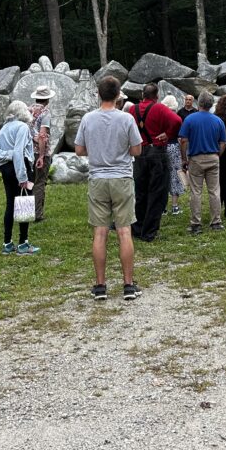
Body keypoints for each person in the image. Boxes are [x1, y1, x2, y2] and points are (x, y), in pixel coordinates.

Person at [74, 76, 144, 301]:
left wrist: (97, 150)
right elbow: (137, 150)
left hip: (98, 179)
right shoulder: (126, 119)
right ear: (118, 95)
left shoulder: (87, 119)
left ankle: (100, 285)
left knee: (100, 232)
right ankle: (128, 285)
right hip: (122, 178)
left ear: (98, 94)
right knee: (124, 230)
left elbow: (79, 149)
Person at [130, 83, 183, 242]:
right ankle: (149, 231)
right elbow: (177, 120)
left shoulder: (133, 109)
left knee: (140, 191)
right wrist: (168, 134)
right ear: (156, 96)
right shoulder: (159, 108)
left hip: (140, 152)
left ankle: (137, 228)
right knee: (157, 192)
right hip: (157, 152)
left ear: (142, 95)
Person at [0, 101, 41, 255]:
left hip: (5, 169)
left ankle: (7, 243)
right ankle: (23, 244)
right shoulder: (23, 127)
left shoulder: (4, 128)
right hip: (21, 168)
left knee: (10, 204)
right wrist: (23, 177)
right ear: (22, 112)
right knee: (24, 203)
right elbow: (19, 153)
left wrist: (8, 155)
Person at [178, 91, 226, 234]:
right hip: (213, 157)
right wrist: (218, 154)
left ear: (198, 103)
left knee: (196, 191)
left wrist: (184, 159)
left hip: (196, 158)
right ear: (211, 104)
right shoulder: (218, 120)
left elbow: (183, 140)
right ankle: (216, 222)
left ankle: (196, 224)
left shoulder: (190, 119)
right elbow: (223, 142)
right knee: (214, 191)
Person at [28, 85, 55, 222]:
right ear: (48, 99)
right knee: (39, 183)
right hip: (39, 152)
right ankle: (37, 215)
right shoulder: (45, 113)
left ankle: (25, 213)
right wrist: (42, 155)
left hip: (27, 152)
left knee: (28, 182)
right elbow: (43, 136)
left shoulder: (27, 110)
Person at [161, 96, 186, 215]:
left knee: (162, 175)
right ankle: (175, 206)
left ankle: (163, 207)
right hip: (174, 146)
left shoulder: (161, 117)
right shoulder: (176, 118)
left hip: (162, 147)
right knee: (175, 175)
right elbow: (181, 136)